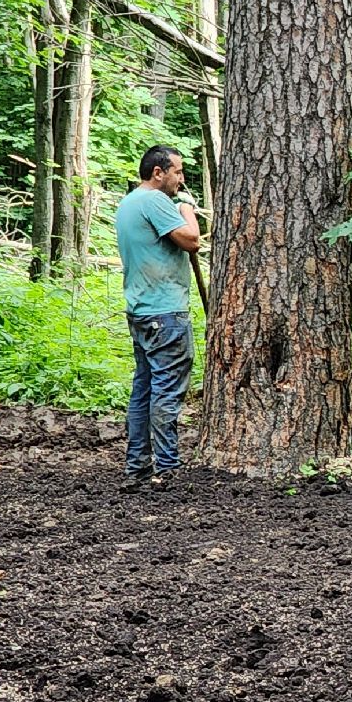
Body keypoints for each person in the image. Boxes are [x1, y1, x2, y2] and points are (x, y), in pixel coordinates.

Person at [115, 145, 203, 492]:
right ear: (158, 172)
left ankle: (138, 466)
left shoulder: (128, 203)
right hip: (165, 313)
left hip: (141, 311)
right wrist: (186, 209)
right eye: (177, 172)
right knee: (166, 392)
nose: (181, 179)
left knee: (144, 391)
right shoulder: (155, 202)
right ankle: (167, 469)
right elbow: (191, 240)